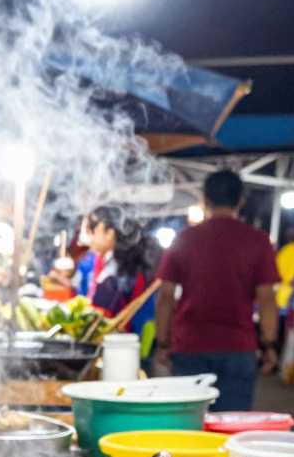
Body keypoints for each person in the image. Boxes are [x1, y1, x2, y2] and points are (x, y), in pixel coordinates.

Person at [154, 170, 280, 412]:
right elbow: (267, 300)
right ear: (240, 200)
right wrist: (270, 345)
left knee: (190, 427)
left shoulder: (184, 238)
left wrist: (162, 344)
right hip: (238, 348)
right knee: (230, 427)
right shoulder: (257, 241)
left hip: (189, 347)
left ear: (204, 199)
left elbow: (165, 297)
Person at [82, 205, 152, 319]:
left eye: (92, 232)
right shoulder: (108, 263)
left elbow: (102, 314)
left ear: (109, 233)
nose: (89, 239)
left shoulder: (117, 271)